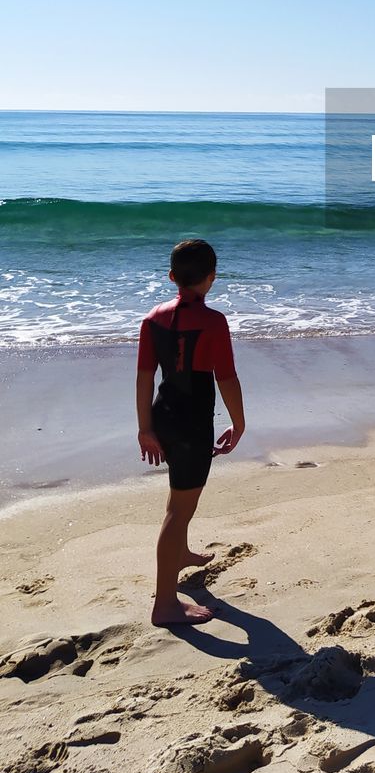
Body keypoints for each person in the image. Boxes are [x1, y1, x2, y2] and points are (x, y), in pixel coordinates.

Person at [136, 238, 245, 626]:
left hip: (163, 416)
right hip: (193, 423)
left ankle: (180, 554)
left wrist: (145, 428)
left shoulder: (152, 319)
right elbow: (226, 376)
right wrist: (239, 421)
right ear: (211, 278)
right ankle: (165, 603)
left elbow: (145, 376)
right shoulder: (214, 322)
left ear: (171, 277)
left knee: (178, 497)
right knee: (180, 511)